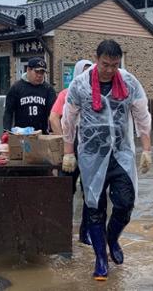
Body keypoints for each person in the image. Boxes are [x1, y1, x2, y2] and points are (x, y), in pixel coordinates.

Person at [61, 40, 152, 281]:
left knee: (125, 203)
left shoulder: (129, 81)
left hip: (121, 153)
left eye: (114, 64)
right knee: (94, 208)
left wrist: (147, 149)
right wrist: (68, 152)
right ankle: (101, 258)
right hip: (91, 155)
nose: (110, 70)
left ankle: (113, 239)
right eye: (105, 64)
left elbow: (142, 113)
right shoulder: (80, 85)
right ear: (97, 58)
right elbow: (68, 120)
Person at [49, 59, 93, 245]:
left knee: (89, 192)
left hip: (89, 148)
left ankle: (86, 232)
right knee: (65, 189)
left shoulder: (95, 95)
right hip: (70, 148)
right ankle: (61, 231)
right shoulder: (66, 94)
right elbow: (53, 117)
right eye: (83, 72)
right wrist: (65, 141)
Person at [3, 57, 56, 134]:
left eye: (42, 72)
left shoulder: (48, 89)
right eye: (37, 72)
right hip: (21, 134)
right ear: (28, 70)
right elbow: (8, 111)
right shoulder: (16, 88)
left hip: (42, 134)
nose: (39, 75)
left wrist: (52, 131)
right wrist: (6, 130)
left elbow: (53, 113)